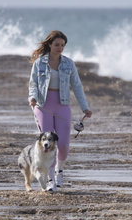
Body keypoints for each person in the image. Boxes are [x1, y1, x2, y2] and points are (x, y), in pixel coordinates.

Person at [28, 30, 92, 190]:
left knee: (63, 144)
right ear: (50, 44)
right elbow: (33, 84)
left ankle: (59, 170)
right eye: (57, 45)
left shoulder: (68, 64)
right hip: (43, 105)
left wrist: (85, 107)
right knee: (47, 145)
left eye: (62, 45)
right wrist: (32, 97)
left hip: (62, 105)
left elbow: (77, 86)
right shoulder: (39, 63)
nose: (60, 47)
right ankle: (50, 181)